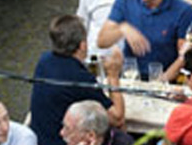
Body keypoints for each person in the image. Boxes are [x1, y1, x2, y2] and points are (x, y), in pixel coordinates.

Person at [99, 0, 192, 80]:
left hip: (165, 83)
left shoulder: (182, 10)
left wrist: (161, 82)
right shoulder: (125, 1)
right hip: (131, 80)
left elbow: (183, 57)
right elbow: (102, 41)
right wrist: (123, 28)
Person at [30, 14, 125, 145]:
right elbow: (117, 118)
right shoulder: (80, 78)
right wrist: (113, 76)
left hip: (39, 138)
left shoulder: (44, 60)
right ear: (82, 45)